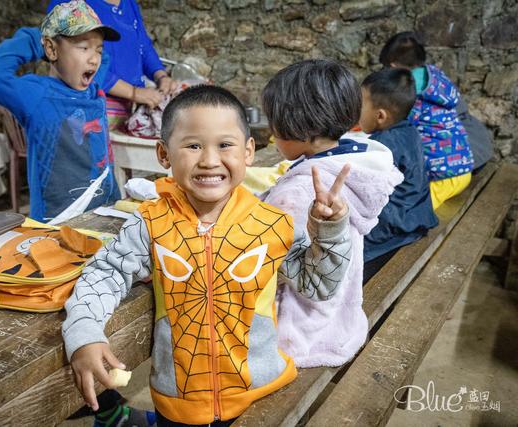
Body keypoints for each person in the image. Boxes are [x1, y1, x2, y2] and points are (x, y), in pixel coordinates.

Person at [62, 85, 354, 426]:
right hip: (178, 405)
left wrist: (330, 230)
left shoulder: (272, 223)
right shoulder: (149, 223)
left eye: (225, 145)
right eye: (193, 145)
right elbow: (104, 273)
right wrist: (83, 334)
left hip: (262, 394)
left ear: (248, 152)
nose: (210, 160)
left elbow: (319, 285)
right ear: (164, 154)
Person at [260, 59, 404, 367]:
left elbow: (271, 264)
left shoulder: (299, 192)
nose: (271, 130)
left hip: (295, 333)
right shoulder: (354, 164)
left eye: (274, 121)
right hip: (338, 321)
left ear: (299, 125)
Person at [0, 0, 123, 222]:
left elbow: (106, 58)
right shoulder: (37, 96)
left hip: (105, 208)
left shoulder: (93, 87)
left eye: (98, 50)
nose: (94, 58)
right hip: (58, 222)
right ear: (51, 48)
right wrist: (38, 41)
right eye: (83, 48)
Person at [358, 68, 439, 282]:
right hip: (415, 221)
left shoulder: (383, 146)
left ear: (380, 115)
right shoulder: (410, 132)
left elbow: (365, 193)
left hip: (389, 234)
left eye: (361, 105)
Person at [46, 0, 179, 128]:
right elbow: (74, 63)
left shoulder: (129, 3)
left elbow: (142, 45)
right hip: (89, 108)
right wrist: (134, 93)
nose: (95, 57)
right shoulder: (70, 4)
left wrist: (160, 75)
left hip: (127, 111)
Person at [380, 31, 474, 209]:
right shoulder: (435, 77)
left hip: (444, 176)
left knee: (412, 213)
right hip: (462, 169)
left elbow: (393, 126)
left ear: (392, 66)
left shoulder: (406, 89)